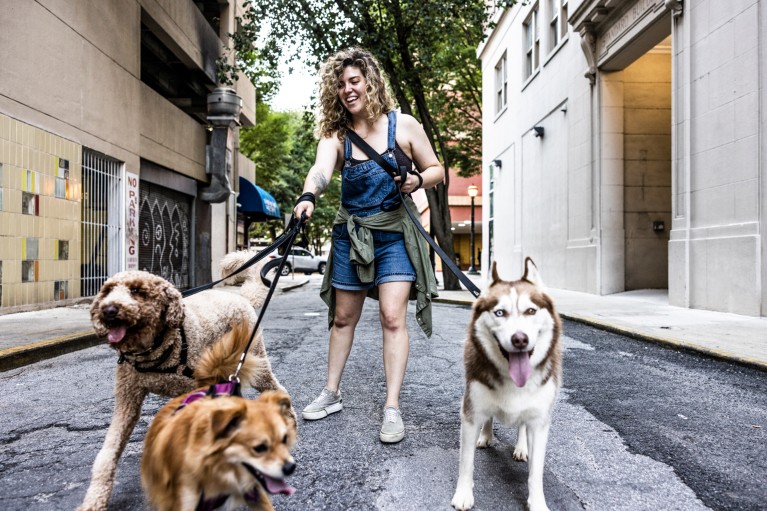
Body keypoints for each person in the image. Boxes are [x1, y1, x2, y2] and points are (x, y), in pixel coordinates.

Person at [293, 47, 444, 443]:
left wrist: (416, 182)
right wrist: (308, 196)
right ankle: (332, 392)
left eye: (354, 80)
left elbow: (437, 169)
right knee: (343, 318)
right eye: (341, 84)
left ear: (370, 81)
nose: (347, 89)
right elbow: (321, 169)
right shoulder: (336, 134)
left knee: (393, 317)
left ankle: (392, 405)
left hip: (394, 234)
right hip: (351, 235)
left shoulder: (404, 125)